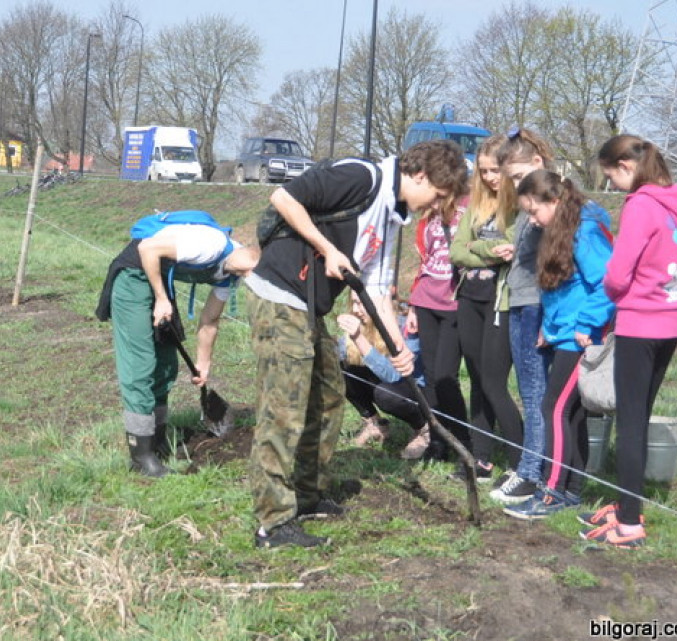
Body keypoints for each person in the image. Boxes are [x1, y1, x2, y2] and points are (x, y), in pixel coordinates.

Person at [246, 140, 468, 549]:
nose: (434, 206)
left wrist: (398, 345)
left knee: (329, 396)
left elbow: (380, 291)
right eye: (437, 195)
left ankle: (308, 494)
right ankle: (272, 524)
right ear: (420, 175)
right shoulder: (360, 177)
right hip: (279, 296)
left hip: (308, 307)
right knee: (284, 410)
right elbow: (283, 197)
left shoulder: (389, 218)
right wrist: (327, 248)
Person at [579, 135, 677, 549]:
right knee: (638, 418)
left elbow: (618, 273)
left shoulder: (641, 204)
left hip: (640, 324)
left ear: (625, 166)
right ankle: (629, 504)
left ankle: (627, 524)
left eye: (610, 175)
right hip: (671, 322)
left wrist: (614, 294)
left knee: (629, 422)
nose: (611, 184)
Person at [96, 213, 258, 478]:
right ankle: (141, 457)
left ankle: (157, 440)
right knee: (141, 367)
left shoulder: (230, 275)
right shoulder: (210, 245)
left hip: (160, 282)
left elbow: (210, 319)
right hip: (134, 278)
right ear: (249, 263)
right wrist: (161, 299)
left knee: (166, 365)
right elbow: (146, 248)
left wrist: (203, 364)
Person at [503, 170, 614, 521]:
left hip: (580, 337)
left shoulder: (585, 230)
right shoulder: (558, 231)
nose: (532, 220)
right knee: (573, 414)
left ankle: (550, 493)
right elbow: (559, 289)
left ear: (553, 201)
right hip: (562, 332)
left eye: (534, 211)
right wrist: (548, 328)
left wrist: (587, 324)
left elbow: (607, 282)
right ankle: (571, 491)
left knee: (553, 408)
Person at [450, 136, 524, 485]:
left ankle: (521, 462)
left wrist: (475, 248)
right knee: (477, 381)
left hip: (502, 302)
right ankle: (481, 459)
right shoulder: (476, 204)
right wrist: (490, 249)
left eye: (496, 170)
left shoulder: (518, 206)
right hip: (470, 298)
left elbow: (515, 246)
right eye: (484, 171)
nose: (491, 177)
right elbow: (456, 252)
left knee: (495, 384)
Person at [488, 127, 554, 504]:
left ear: (538, 164)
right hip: (520, 300)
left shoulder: (552, 208)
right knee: (529, 391)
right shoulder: (530, 209)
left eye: (517, 176)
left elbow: (558, 267)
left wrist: (549, 317)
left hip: (535, 306)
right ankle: (528, 467)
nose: (513, 185)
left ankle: (532, 473)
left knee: (534, 394)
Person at [405, 186, 470, 467]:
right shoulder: (428, 211)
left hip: (456, 301)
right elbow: (424, 260)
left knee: (446, 376)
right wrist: (412, 306)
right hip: (426, 299)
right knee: (430, 378)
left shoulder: (470, 204)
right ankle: (438, 441)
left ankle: (464, 441)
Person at [338, 296, 430, 459]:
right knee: (341, 368)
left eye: (362, 303)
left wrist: (358, 339)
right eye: (354, 303)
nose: (357, 310)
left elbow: (393, 375)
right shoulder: (363, 324)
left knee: (385, 394)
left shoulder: (404, 326)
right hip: (389, 384)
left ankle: (423, 430)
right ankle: (375, 424)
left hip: (417, 391)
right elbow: (338, 354)